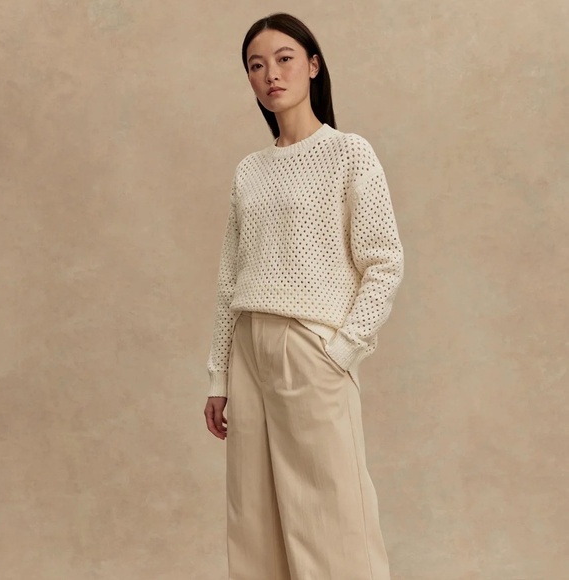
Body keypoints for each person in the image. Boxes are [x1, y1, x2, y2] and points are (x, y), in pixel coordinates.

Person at [203, 12, 404, 580]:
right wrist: (219, 376)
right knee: (255, 520)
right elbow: (229, 279)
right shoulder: (249, 171)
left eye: (284, 58)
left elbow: (384, 260)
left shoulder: (348, 153)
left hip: (310, 349)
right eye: (256, 65)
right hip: (249, 351)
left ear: (313, 65)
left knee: (332, 517)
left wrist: (342, 350)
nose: (271, 74)